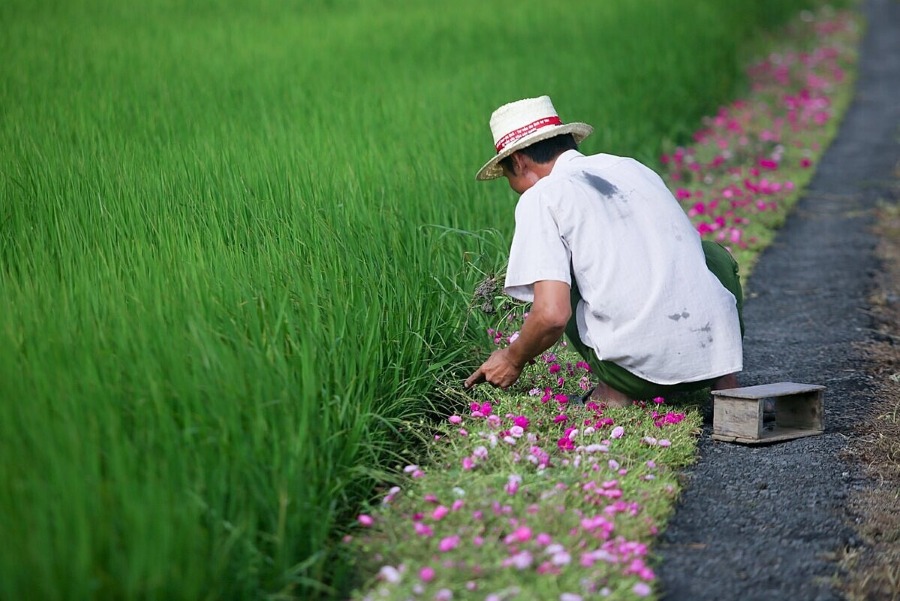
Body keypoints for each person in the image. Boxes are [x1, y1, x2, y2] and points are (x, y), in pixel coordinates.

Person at [463, 95, 744, 407]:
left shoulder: (541, 196)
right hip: (715, 356)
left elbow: (552, 315)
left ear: (518, 161)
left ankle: (612, 393)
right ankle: (723, 382)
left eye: (507, 176)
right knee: (712, 255)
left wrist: (512, 359)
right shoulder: (630, 168)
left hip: (637, 377)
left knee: (560, 274)